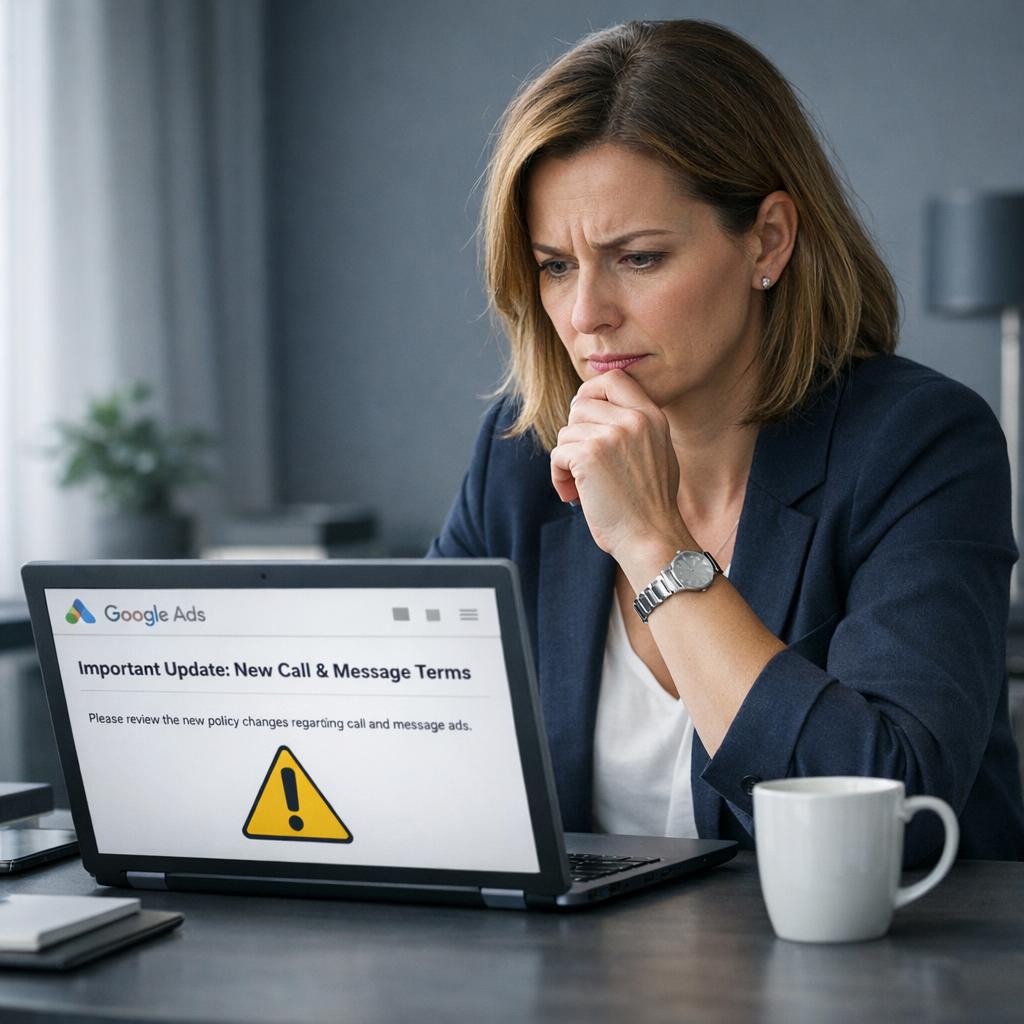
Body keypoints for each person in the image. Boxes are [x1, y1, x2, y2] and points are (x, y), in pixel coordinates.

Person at [428, 19, 1024, 865]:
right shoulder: (522, 452)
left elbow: (894, 821)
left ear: (768, 241)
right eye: (556, 265)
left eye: (636, 258)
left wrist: (654, 545)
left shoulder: (922, 445)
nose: (584, 314)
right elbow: (418, 743)